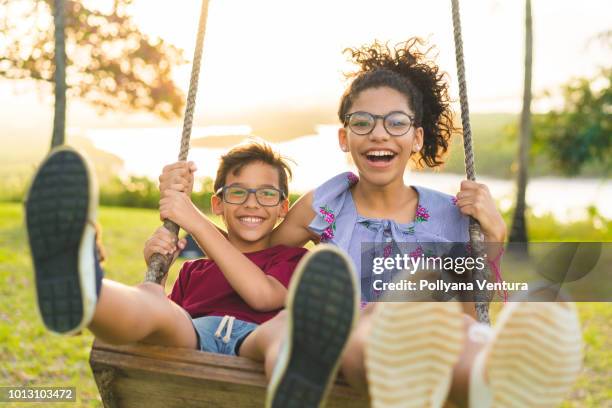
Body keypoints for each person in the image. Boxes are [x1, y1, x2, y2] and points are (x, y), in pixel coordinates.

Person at [161, 39, 583, 408]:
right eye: (363, 123)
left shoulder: (455, 216)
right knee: (371, 329)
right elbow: (253, 250)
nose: (379, 134)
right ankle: (462, 379)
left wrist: (493, 238)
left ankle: (497, 382)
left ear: (416, 138)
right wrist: (184, 218)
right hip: (357, 348)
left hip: (433, 342)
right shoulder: (328, 203)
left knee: (448, 327)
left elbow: (475, 312)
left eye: (396, 123)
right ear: (345, 138)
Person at [25, 142, 358, 364]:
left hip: (257, 344)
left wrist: (194, 221)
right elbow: (165, 326)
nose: (252, 203)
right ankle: (86, 292)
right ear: (218, 205)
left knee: (287, 324)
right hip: (194, 338)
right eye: (237, 192)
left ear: (284, 207)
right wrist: (158, 269)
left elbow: (261, 295)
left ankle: (293, 371)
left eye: (267, 194)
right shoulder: (193, 271)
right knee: (153, 302)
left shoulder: (289, 258)